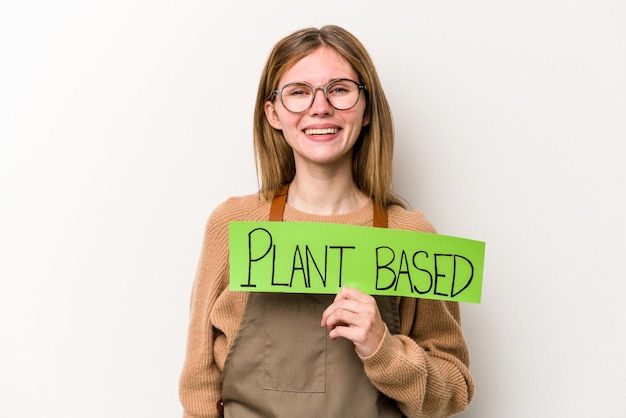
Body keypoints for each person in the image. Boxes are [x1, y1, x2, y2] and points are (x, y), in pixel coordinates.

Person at [179, 25, 475, 418]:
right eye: (299, 92)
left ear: (366, 109)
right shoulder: (234, 225)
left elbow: (454, 390)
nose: (320, 107)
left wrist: (383, 348)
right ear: (273, 114)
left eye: (339, 89)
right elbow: (199, 385)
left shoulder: (412, 239)